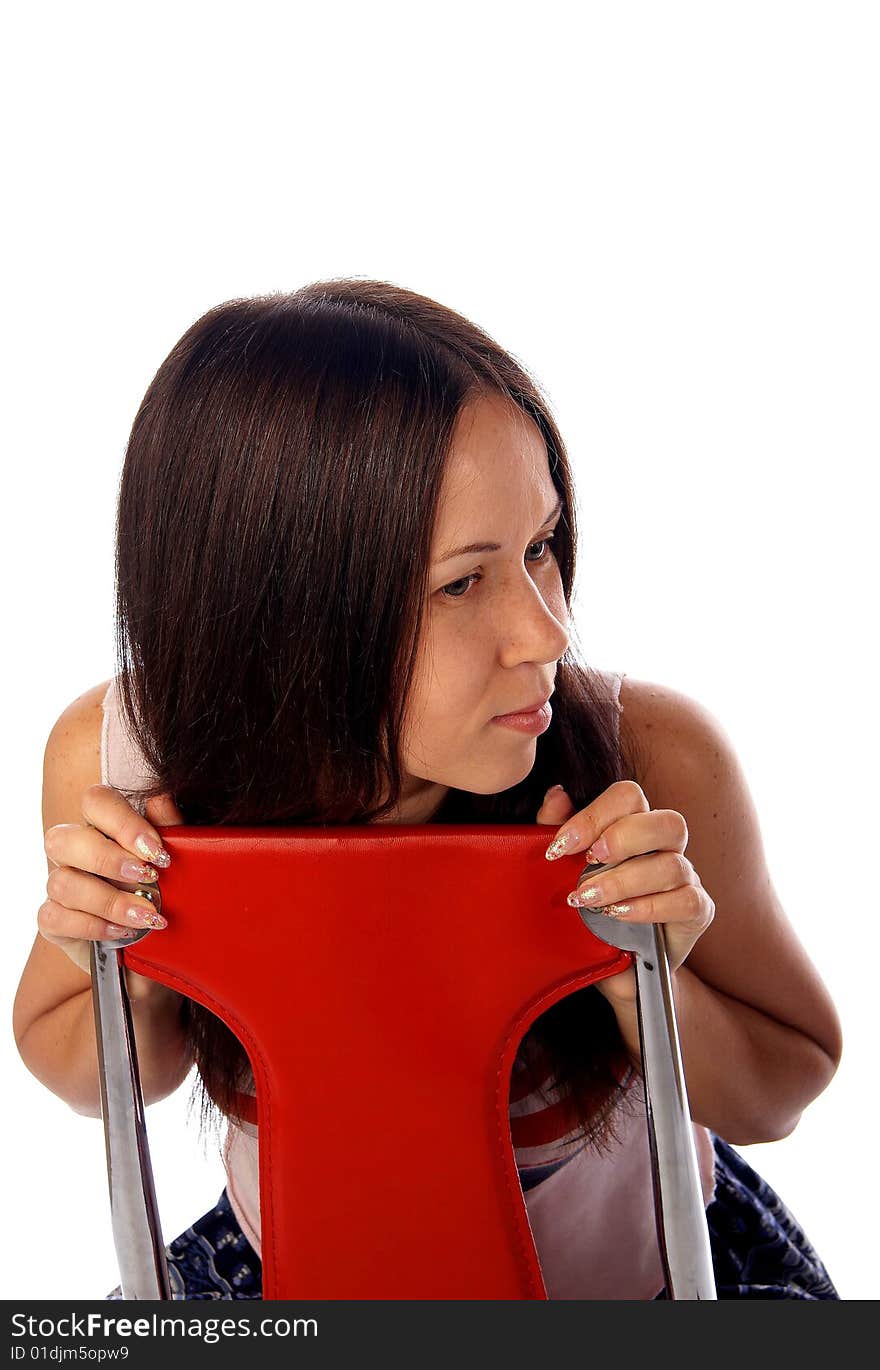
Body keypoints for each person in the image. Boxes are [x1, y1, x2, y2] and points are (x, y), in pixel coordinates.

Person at [13, 279, 842, 1300]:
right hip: (288, 1278)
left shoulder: (646, 759)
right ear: (283, 615)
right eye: (462, 581)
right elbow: (107, 1079)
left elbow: (783, 1085)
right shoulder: (125, 763)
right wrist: (117, 959)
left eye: (540, 546)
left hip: (650, 1277)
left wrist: (641, 975)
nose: (545, 629)